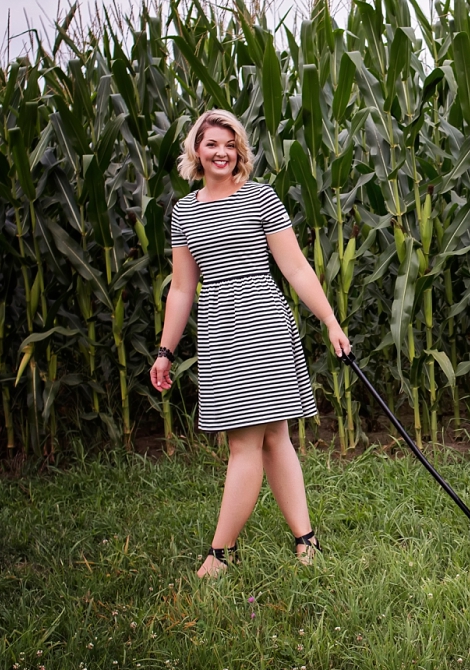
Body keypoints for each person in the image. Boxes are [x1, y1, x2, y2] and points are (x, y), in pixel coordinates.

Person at [149, 109, 350, 578]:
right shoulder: (183, 211)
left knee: (249, 444)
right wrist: (165, 350)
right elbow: (182, 289)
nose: (221, 152)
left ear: (240, 151)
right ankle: (306, 541)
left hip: (266, 330)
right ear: (196, 151)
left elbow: (296, 267)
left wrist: (330, 320)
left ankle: (221, 553)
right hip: (218, 334)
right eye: (211, 144)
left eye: (230, 144)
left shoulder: (261, 198)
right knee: (273, 439)